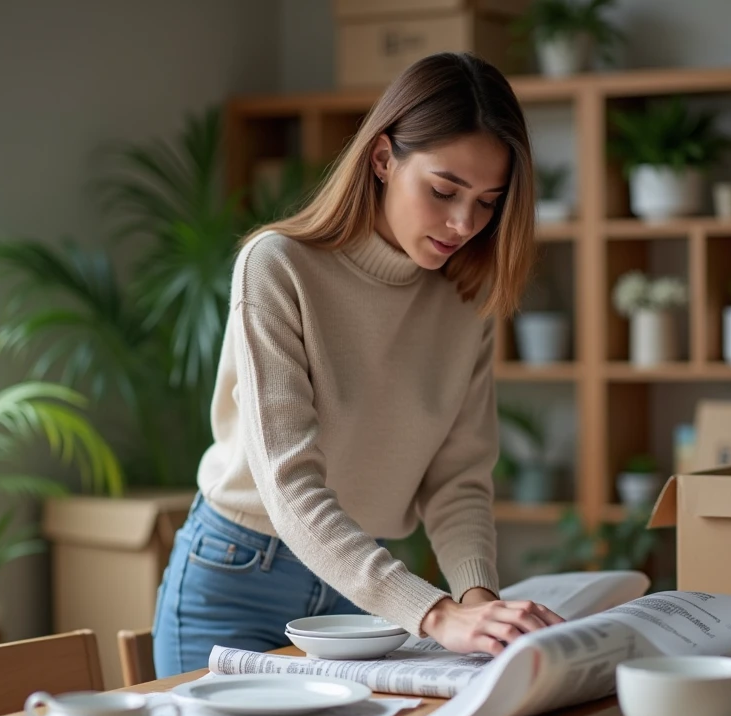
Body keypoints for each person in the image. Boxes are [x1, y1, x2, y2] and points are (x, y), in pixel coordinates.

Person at [153, 51, 564, 678]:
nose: (464, 223)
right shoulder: (277, 267)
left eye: (488, 202)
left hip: (366, 590)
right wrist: (435, 614)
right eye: (443, 190)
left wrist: (479, 603)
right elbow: (289, 484)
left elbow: (457, 478)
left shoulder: (467, 297)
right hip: (240, 577)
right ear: (382, 159)